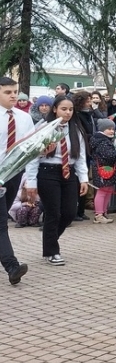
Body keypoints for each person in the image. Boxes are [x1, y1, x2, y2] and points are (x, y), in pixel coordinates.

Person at [25, 94, 90, 266]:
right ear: (54, 109)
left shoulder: (75, 129)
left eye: (70, 109)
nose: (67, 113)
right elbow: (32, 157)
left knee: (69, 213)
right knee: (53, 213)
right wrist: (31, 182)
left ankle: (50, 241)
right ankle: (52, 251)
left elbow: (81, 156)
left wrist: (84, 179)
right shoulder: (43, 128)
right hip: (48, 172)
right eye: (63, 109)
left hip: (69, 172)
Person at [1, 77, 36, 284]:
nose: (13, 95)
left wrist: (31, 180)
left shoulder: (24, 118)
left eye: (15, 91)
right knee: (0, 225)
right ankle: (12, 266)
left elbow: (31, 151)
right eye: (7, 92)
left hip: (13, 176)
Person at [90, 118, 116, 223]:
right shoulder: (102, 142)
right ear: (102, 129)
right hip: (103, 169)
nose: (112, 131)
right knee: (102, 191)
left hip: (107, 169)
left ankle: (104, 212)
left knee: (108, 191)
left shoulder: (105, 140)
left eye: (113, 129)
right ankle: (98, 214)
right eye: (109, 129)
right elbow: (109, 156)